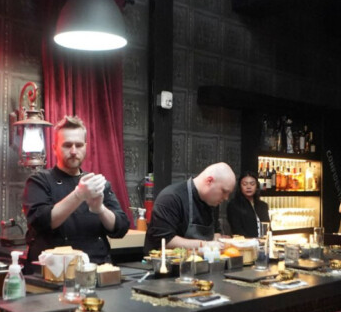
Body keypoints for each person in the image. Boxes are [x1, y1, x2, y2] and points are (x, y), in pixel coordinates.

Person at [22, 116, 130, 271]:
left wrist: (100, 209)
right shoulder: (39, 181)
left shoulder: (98, 183)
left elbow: (121, 227)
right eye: (67, 145)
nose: (73, 151)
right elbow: (42, 221)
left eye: (78, 145)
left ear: (85, 147)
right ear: (54, 148)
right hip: (52, 273)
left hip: (96, 269)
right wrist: (79, 194)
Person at [144, 162, 236, 252]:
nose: (226, 198)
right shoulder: (171, 197)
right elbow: (164, 241)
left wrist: (218, 239)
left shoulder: (212, 202)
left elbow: (216, 232)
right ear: (209, 181)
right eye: (224, 191)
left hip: (200, 264)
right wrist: (204, 244)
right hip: (166, 265)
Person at [227, 171, 271, 238]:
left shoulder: (263, 205)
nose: (248, 187)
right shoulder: (233, 205)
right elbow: (237, 230)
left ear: (257, 186)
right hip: (244, 244)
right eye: (245, 184)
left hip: (263, 243)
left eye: (252, 184)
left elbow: (268, 228)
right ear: (240, 186)